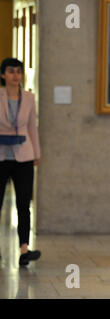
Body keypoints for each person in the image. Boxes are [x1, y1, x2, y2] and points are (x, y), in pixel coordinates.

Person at [0, 58, 41, 266]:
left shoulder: (29, 97)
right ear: (3, 75)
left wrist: (37, 152)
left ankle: (24, 249)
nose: (15, 75)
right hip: (1, 155)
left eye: (18, 71)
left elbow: (33, 126)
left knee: (24, 203)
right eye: (11, 71)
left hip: (23, 155)